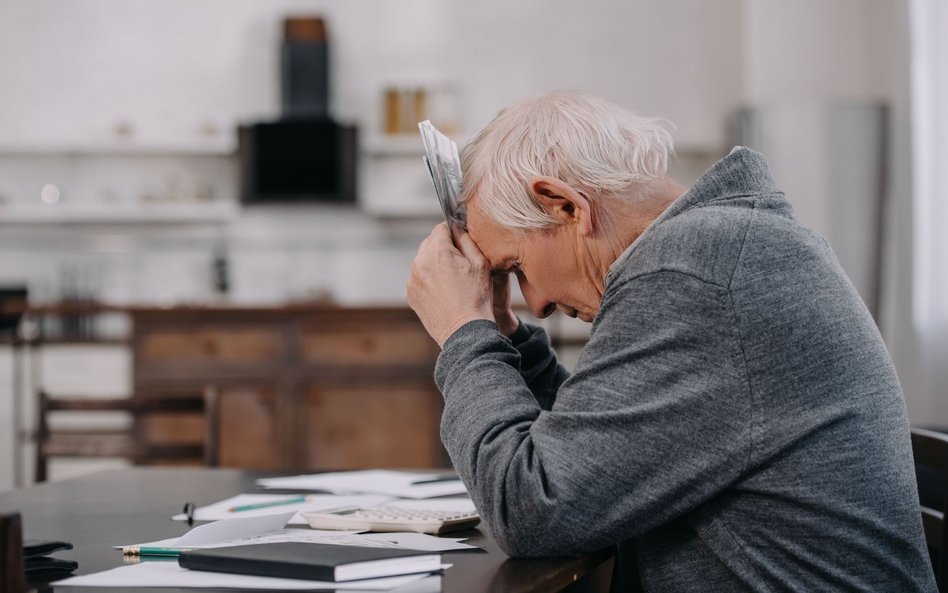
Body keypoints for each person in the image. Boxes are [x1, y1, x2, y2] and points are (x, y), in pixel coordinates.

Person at [406, 91, 935, 592]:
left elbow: (534, 509)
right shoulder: (722, 250)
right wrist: (503, 336)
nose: (536, 303)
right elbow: (602, 453)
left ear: (565, 206)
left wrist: (462, 332)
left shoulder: (694, 272)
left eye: (517, 267)